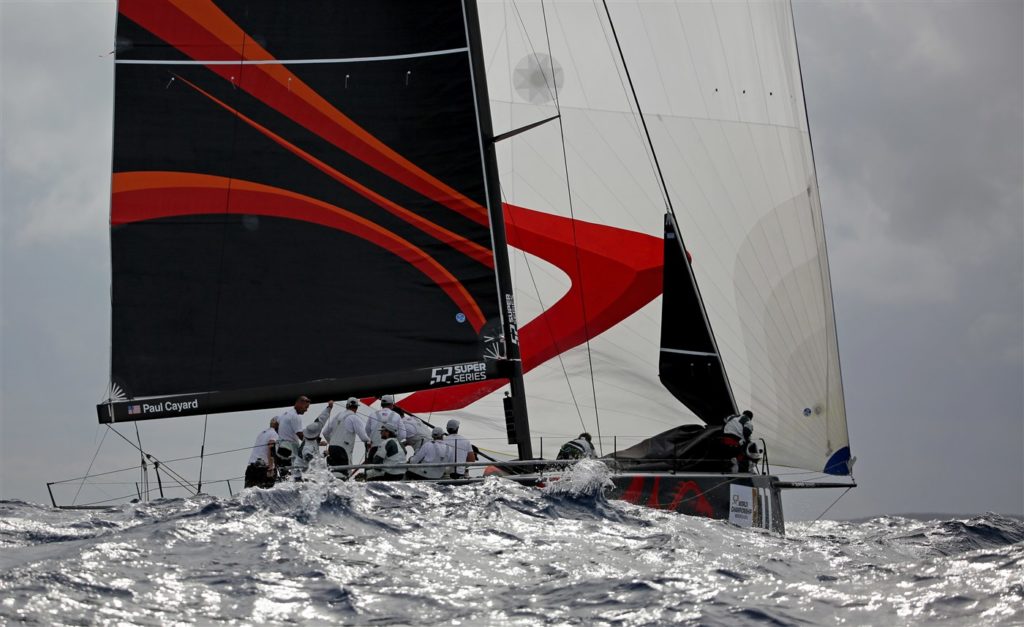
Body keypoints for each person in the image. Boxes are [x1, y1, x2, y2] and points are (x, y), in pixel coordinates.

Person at [321, 397, 369, 477]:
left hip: (332, 448)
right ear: (356, 408)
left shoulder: (338, 415)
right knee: (345, 473)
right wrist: (370, 441)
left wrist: (332, 442)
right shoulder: (354, 417)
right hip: (343, 450)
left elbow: (325, 432)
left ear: (346, 406)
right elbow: (364, 437)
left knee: (332, 472)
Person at [274, 395, 311, 476]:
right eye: (306, 407)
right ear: (300, 403)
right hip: (289, 451)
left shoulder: (285, 414)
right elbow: (300, 435)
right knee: (293, 474)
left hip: (280, 449)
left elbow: (275, 424)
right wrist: (313, 442)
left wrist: (282, 435)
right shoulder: (295, 417)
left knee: (284, 475)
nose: (306, 410)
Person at [245, 417, 279, 489]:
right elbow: (271, 447)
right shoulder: (274, 434)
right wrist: (271, 468)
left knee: (248, 492)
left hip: (251, 467)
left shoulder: (262, 433)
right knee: (267, 492)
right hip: (263, 468)